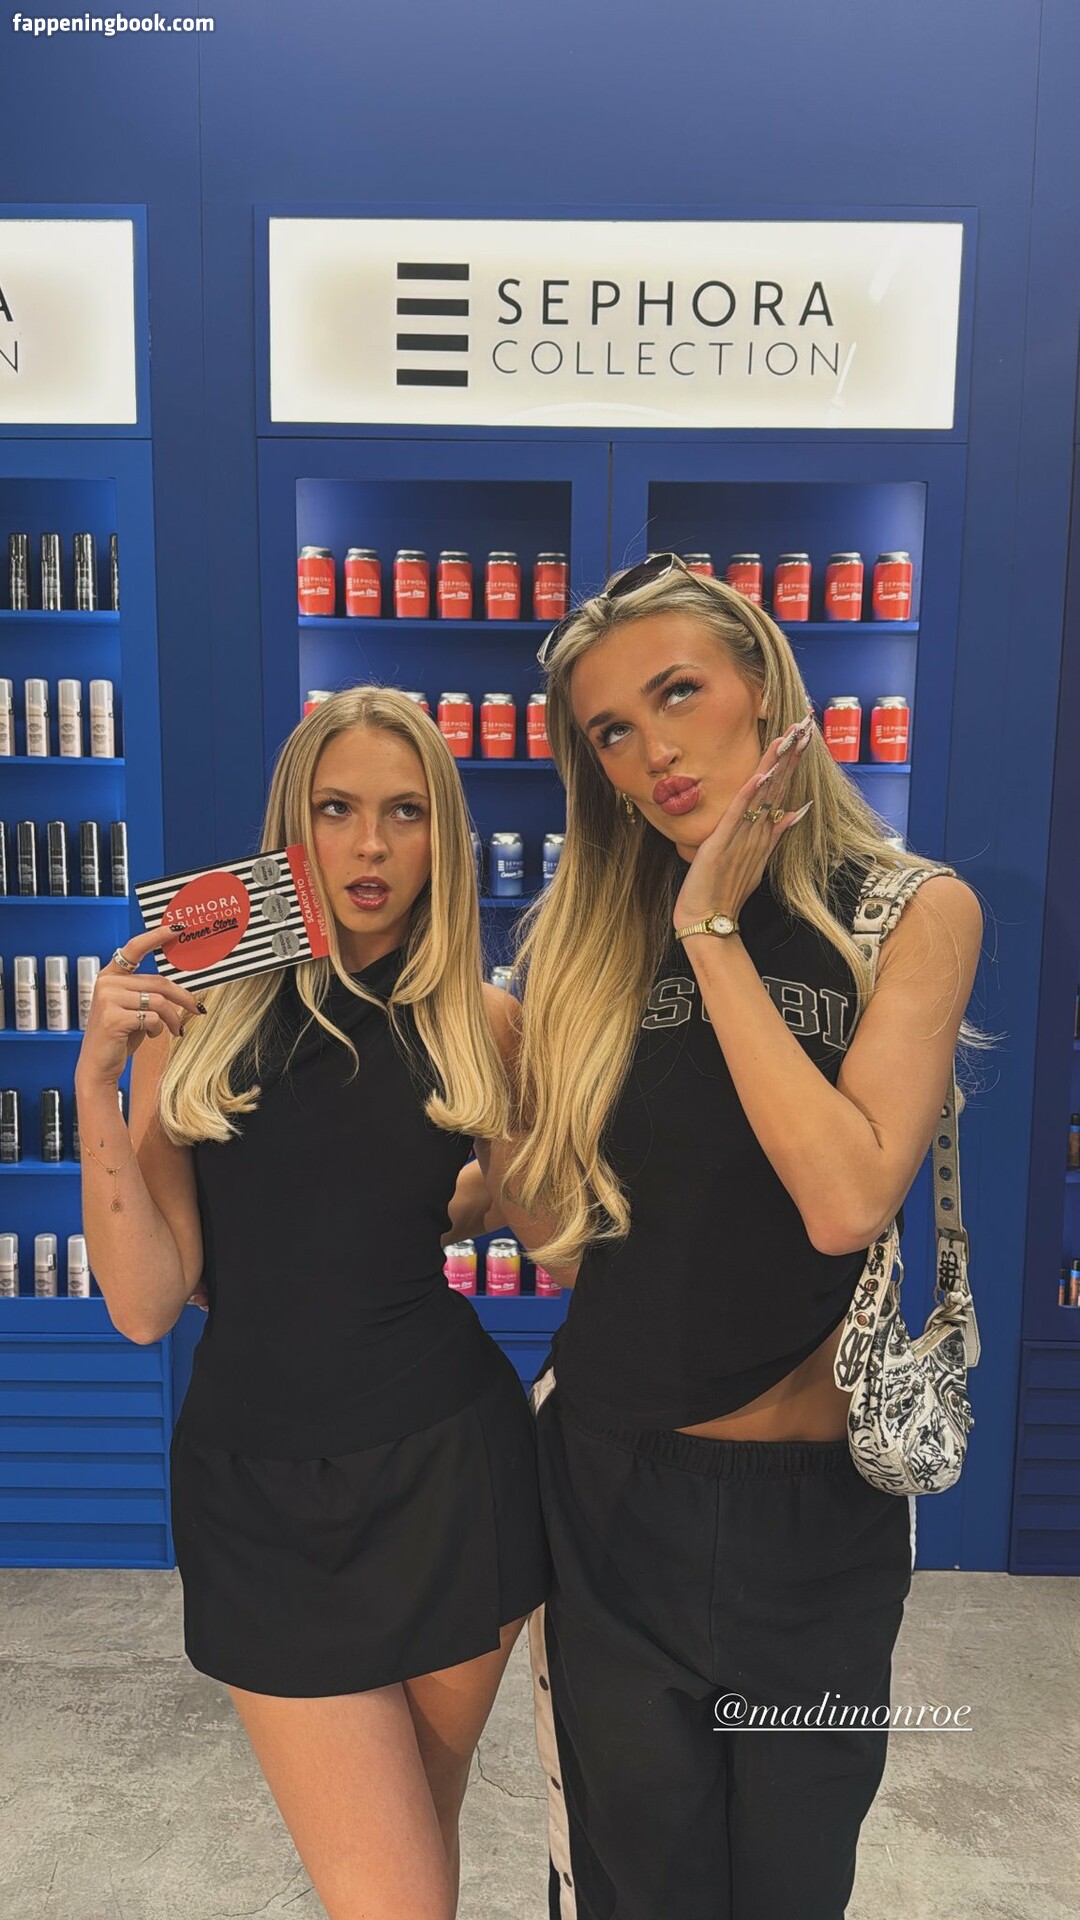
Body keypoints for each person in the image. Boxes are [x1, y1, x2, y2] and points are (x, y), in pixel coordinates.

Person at [489, 554, 983, 1920]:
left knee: (792, 1883)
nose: (653, 751)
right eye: (611, 730)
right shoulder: (584, 936)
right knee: (634, 1885)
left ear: (760, 685)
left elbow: (846, 1199)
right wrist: (496, 1108)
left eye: (678, 694)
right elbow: (562, 1245)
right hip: (609, 1495)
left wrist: (712, 932)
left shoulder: (906, 913)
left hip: (817, 1515)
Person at [75, 685, 549, 1920]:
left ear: (444, 838)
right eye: (337, 810)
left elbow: (522, 1217)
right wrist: (95, 1089)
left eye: (406, 813)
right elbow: (146, 1303)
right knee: (395, 1895)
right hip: (262, 1496)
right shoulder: (198, 1020)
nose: (371, 846)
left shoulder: (482, 1022)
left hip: (454, 1475)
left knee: (417, 1857)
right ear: (293, 827)